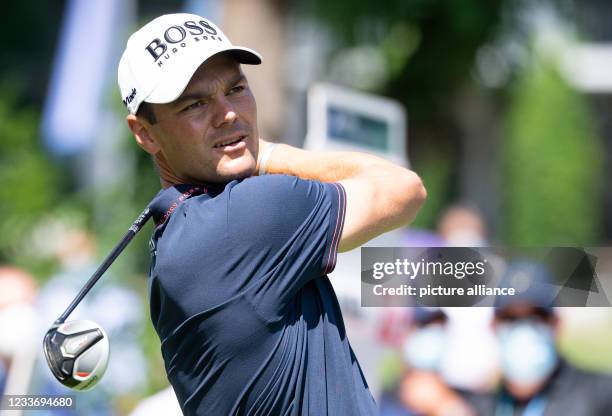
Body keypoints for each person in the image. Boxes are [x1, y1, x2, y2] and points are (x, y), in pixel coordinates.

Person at [118, 13, 426, 415]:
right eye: (195, 104)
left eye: (237, 88)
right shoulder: (250, 215)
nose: (228, 113)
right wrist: (264, 153)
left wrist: (232, 146)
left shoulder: (174, 236)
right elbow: (404, 189)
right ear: (145, 132)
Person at [467, 261, 612, 415]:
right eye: (510, 319)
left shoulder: (599, 394)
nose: (524, 330)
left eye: (537, 317)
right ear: (493, 326)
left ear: (556, 323)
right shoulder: (476, 405)